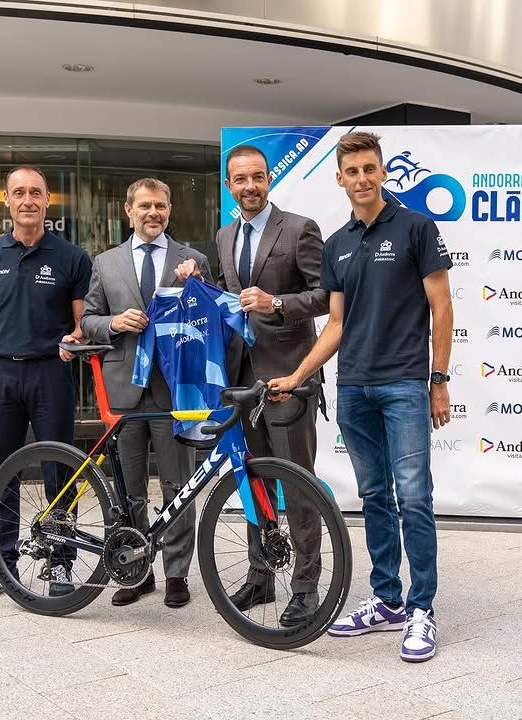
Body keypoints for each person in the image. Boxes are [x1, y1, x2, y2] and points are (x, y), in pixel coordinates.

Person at [269, 131, 454, 663]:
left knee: (414, 496)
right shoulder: (338, 244)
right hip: (354, 388)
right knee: (375, 496)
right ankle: (387, 599)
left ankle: (422, 610)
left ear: (383, 172)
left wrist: (437, 380)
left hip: (403, 385)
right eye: (352, 172)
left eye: (370, 168)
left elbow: (442, 307)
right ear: (340, 179)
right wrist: (299, 373)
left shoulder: (417, 227)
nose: (362, 179)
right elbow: (336, 325)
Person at [178, 144, 329, 627]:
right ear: (228, 185)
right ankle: (262, 575)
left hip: (288, 376)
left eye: (258, 177)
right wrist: (200, 280)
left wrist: (276, 304)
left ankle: (305, 588)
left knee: (297, 486)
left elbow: (326, 295)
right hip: (241, 381)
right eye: (240, 179)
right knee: (251, 480)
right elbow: (229, 294)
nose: (249, 186)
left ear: (269, 180)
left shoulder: (300, 228)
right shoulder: (225, 234)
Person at [79, 177, 213, 609]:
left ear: (169, 211)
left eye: (160, 206)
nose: (153, 213)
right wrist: (116, 323)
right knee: (128, 488)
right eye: (145, 206)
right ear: (128, 210)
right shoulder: (106, 262)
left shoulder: (191, 258)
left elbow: (209, 315)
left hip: (175, 391)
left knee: (179, 485)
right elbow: (90, 322)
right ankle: (138, 571)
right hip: (125, 389)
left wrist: (195, 285)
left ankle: (177, 575)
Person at [0, 165, 92, 601]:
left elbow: (81, 323)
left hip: (49, 374)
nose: (28, 200)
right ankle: (2, 565)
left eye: (36, 192)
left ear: (47, 200)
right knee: (2, 472)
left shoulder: (72, 258)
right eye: (19, 193)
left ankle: (60, 562)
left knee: (60, 470)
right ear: (6, 200)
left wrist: (76, 337)